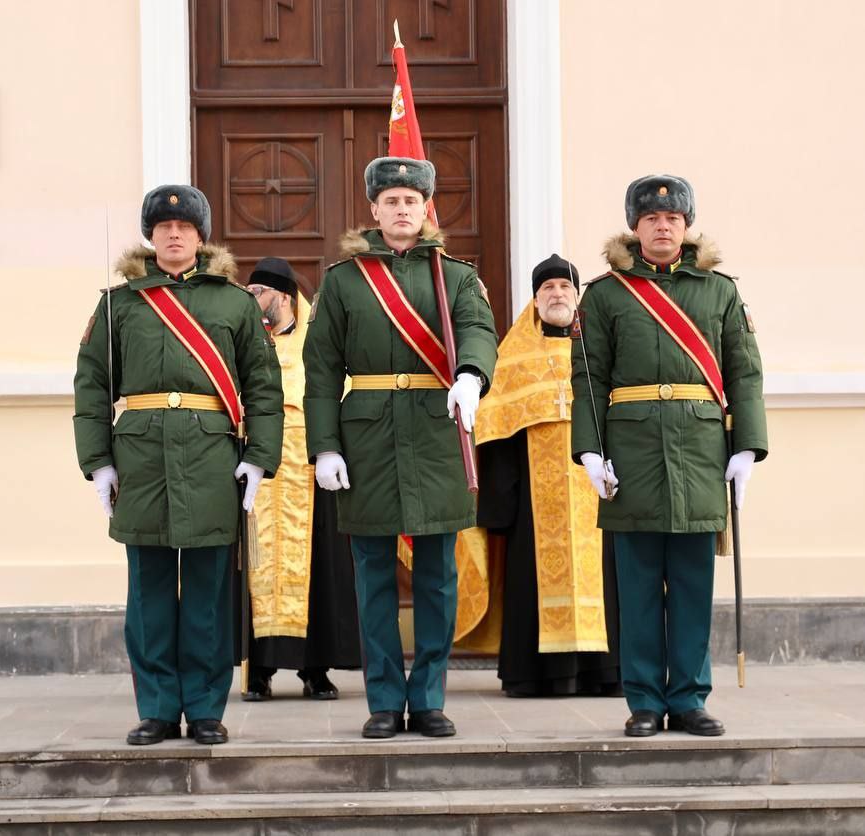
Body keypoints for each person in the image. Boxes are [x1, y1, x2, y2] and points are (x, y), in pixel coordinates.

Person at [73, 185, 283, 746]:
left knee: (210, 595)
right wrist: (98, 462)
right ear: (151, 235)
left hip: (212, 457)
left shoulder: (235, 303)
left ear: (200, 236)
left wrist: (259, 458)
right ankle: (160, 709)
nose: (173, 234)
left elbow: (263, 387)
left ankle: (207, 709)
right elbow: (92, 386)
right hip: (140, 459)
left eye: (185, 227)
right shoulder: (119, 304)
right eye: (164, 228)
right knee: (149, 596)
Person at [302, 156, 498, 739]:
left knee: (438, 575)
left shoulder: (456, 275)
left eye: (411, 201)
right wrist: (325, 447)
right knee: (374, 578)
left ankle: (431, 696)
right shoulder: (343, 281)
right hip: (365, 439)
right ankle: (384, 699)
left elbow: (479, 330)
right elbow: (320, 371)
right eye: (391, 201)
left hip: (436, 433)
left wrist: (469, 374)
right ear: (374, 210)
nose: (401, 210)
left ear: (426, 208)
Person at [571, 174, 767, 738]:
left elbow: (744, 373)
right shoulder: (605, 294)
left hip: (700, 448)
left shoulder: (719, 291)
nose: (663, 226)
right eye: (652, 219)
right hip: (631, 451)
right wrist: (589, 450)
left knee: (689, 583)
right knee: (635, 585)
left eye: (673, 219)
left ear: (686, 226)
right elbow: (588, 378)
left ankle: (688, 697)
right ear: (635, 226)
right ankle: (644, 701)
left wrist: (747, 446)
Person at [475, 254, 621, 698]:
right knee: (532, 580)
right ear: (535, 300)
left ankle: (605, 673)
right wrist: (502, 503)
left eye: (564, 288)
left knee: (607, 578)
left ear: (577, 298)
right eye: (548, 289)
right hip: (535, 504)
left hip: (600, 496)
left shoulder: (600, 350)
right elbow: (496, 431)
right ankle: (534, 674)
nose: (557, 295)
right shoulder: (513, 358)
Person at [235, 257, 361, 701]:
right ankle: (258, 670)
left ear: (283, 297)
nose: (250, 301)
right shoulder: (243, 345)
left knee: (320, 570)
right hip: (258, 471)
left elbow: (333, 396)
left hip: (310, 473)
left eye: (256, 293)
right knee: (254, 568)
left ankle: (316, 669)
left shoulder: (316, 345)